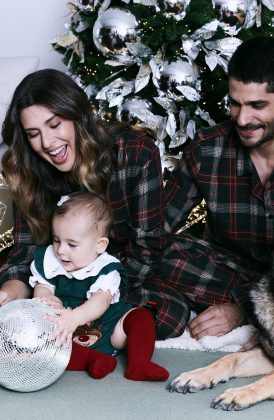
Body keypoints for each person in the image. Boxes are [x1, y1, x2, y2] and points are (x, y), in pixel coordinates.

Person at [162, 35, 274, 339]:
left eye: (257, 105)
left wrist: (241, 309)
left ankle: (248, 309)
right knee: (156, 252)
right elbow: (156, 227)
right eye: (235, 104)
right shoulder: (206, 149)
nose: (243, 119)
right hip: (227, 272)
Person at [0, 68, 188, 339]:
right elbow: (24, 255)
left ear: (77, 115)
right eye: (33, 134)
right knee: (26, 320)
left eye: (54, 125)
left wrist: (88, 299)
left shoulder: (134, 153)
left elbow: (146, 251)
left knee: (168, 314)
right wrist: (11, 293)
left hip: (121, 275)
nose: (47, 142)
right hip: (58, 279)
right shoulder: (29, 172)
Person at [29, 191, 168, 381]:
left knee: (141, 317)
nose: (61, 250)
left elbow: (100, 301)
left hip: (111, 329)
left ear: (100, 245)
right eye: (56, 240)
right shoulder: (50, 260)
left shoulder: (106, 268)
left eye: (72, 244)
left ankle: (139, 363)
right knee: (44, 346)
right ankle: (90, 360)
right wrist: (47, 298)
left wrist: (75, 317)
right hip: (65, 334)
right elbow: (42, 286)